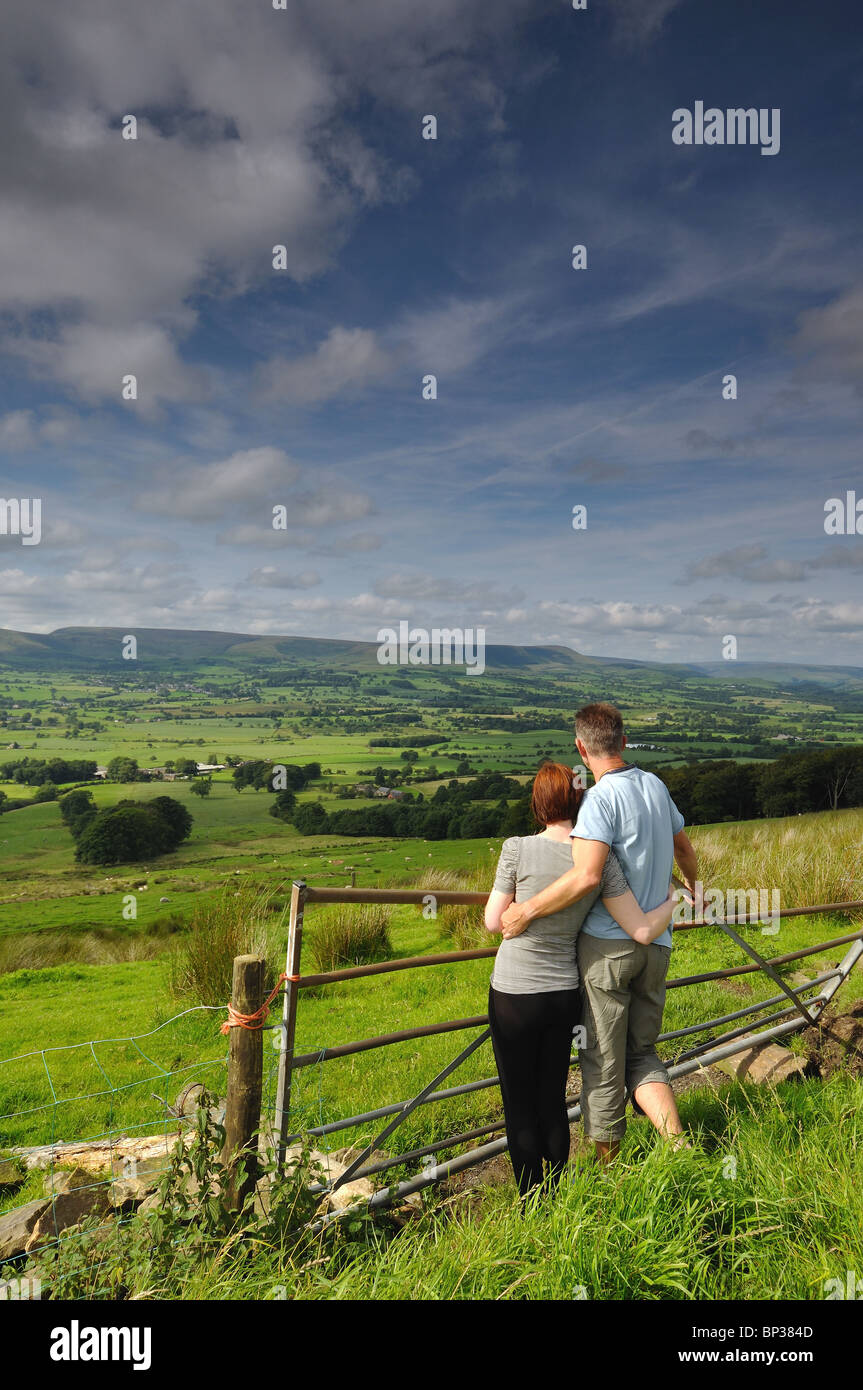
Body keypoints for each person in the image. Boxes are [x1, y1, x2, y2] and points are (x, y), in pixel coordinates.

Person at [500, 704, 699, 1165]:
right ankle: (676, 1143)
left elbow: (588, 876)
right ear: (624, 741)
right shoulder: (654, 785)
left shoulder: (597, 800)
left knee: (603, 1063)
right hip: (657, 945)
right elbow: (684, 847)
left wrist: (525, 910)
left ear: (580, 748)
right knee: (642, 1052)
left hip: (608, 950)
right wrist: (693, 886)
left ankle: (611, 1176)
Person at [484, 760, 676, 1201]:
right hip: (565, 992)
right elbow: (642, 929)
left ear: (537, 803)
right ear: (579, 800)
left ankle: (534, 1204)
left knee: (519, 1102)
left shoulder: (517, 848)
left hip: (514, 992)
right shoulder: (599, 858)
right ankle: (556, 1196)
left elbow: (494, 922)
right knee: (552, 1097)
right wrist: (675, 898)